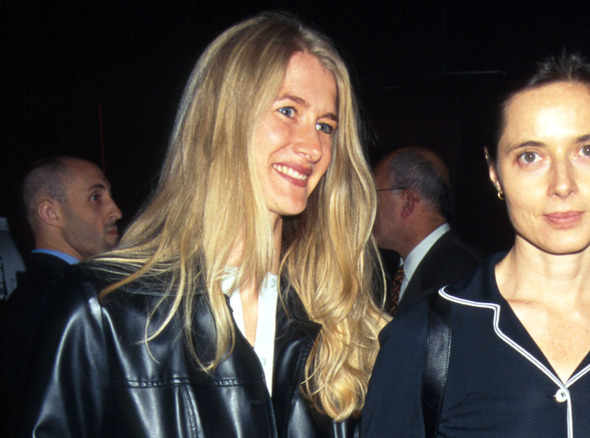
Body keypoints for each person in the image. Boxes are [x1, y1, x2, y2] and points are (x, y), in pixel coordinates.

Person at [13, 12, 385, 437]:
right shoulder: (105, 312)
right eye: (287, 110)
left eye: (325, 126)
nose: (313, 147)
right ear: (222, 119)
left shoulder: (331, 318)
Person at [361, 52, 590, 437]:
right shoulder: (423, 340)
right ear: (494, 172)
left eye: (588, 150)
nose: (562, 184)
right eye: (530, 156)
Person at [0, 156, 122, 433]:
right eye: (95, 197)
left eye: (109, 196)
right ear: (51, 213)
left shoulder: (20, 302)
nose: (115, 210)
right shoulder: (85, 300)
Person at [372, 147, 481, 315]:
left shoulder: (466, 280)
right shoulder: (392, 275)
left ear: (407, 202)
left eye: (373, 196)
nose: (367, 208)